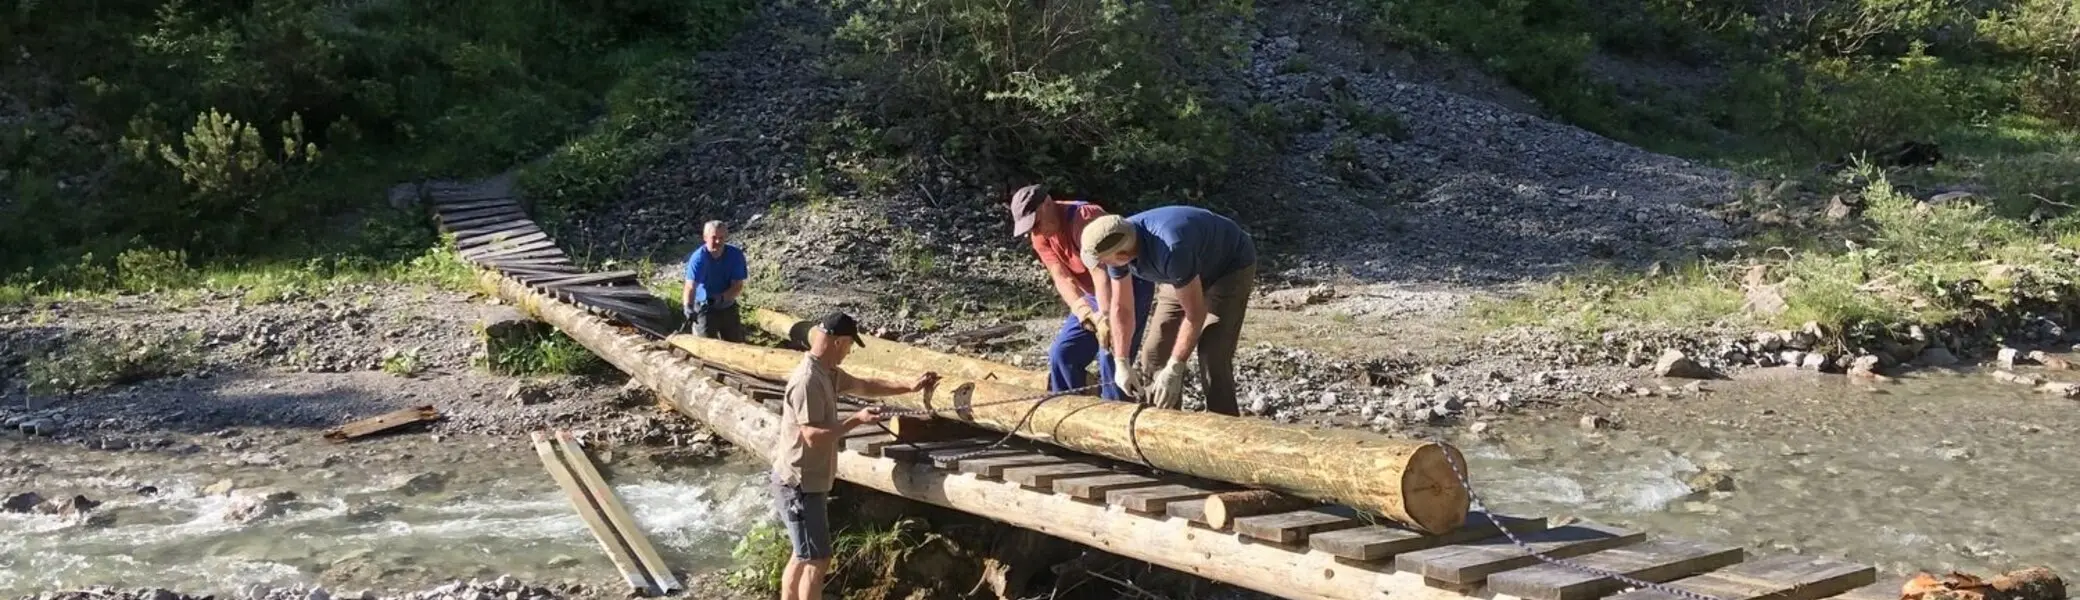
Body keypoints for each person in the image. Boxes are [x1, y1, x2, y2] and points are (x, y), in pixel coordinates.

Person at [772, 312, 939, 600]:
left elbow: (866, 385)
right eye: (849, 346)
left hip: (805, 482)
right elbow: (811, 436)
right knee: (817, 560)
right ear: (838, 342)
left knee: (803, 555)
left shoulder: (827, 372)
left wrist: (909, 386)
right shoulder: (808, 381)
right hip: (800, 484)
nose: (849, 353)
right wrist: (857, 420)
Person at [1079, 206, 1257, 415]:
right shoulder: (1115, 239)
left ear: (1123, 255)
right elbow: (1122, 307)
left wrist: (1175, 366)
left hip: (1228, 267)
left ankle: (1224, 427)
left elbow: (1195, 314)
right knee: (1154, 351)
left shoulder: (1171, 248)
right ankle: (1162, 424)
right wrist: (1121, 361)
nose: (1102, 266)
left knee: (1212, 354)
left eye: (1104, 262)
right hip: (1182, 272)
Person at [1007, 183, 1153, 400]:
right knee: (1063, 354)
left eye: (1036, 223)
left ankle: (1116, 421)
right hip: (1094, 294)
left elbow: (1101, 272)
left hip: (1126, 284)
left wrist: (1103, 318)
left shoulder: (1084, 218)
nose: (1036, 231)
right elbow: (1061, 276)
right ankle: (1069, 416)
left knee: (1111, 356)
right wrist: (1083, 311)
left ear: (1048, 203)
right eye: (1030, 227)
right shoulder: (1039, 235)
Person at [683, 220, 749, 342]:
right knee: (704, 346)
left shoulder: (735, 256)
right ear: (705, 237)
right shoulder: (698, 258)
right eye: (714, 238)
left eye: (721, 238)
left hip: (727, 306)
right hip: (704, 308)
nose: (718, 241)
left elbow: (737, 286)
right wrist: (688, 306)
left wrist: (720, 298)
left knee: (736, 346)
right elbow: (690, 286)